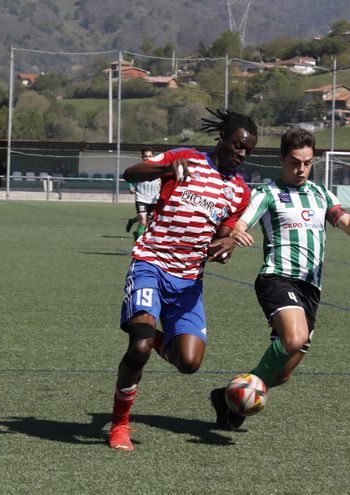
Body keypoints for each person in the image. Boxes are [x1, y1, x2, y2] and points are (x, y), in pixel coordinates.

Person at [107, 108, 258, 451]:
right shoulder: (185, 158)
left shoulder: (239, 192)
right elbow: (131, 173)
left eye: (248, 150)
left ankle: (142, 328)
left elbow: (221, 237)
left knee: (189, 362)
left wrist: (228, 244)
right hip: (151, 264)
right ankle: (119, 426)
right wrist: (164, 167)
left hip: (188, 282)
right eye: (238, 145)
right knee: (140, 347)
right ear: (223, 139)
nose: (242, 153)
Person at [208, 127, 350, 431]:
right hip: (278, 278)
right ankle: (238, 407)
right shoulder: (267, 193)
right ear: (282, 159)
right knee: (294, 339)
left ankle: (225, 397)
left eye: (307, 163)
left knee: (281, 374)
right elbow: (243, 221)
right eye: (295, 162)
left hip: (311, 289)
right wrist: (236, 232)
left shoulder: (321, 194)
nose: (301, 169)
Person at [123, 148, 161, 240]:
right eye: (145, 156)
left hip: (154, 200)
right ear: (142, 157)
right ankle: (138, 243)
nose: (147, 158)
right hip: (141, 198)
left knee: (148, 222)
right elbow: (129, 178)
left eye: (149, 156)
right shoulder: (138, 169)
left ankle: (132, 222)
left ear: (153, 157)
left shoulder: (159, 169)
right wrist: (131, 187)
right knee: (143, 222)